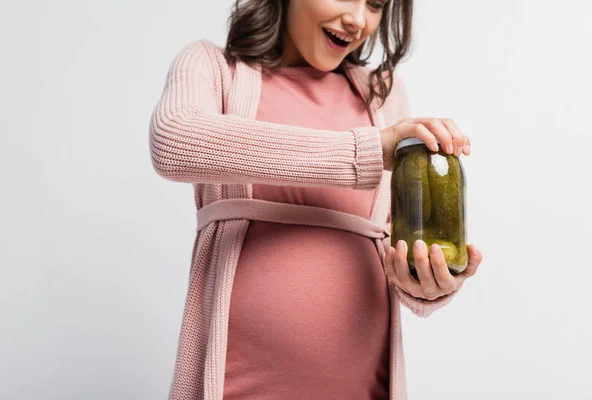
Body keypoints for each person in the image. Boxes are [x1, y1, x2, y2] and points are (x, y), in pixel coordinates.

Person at [148, 0, 484, 398]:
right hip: (234, 384)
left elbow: (398, 240)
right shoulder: (215, 66)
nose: (358, 20)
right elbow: (175, 142)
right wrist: (367, 151)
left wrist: (423, 283)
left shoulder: (382, 94)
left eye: (375, 5)